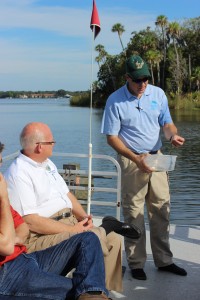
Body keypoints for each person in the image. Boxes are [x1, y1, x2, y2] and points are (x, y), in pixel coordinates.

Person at [4, 122, 141, 293]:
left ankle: (103, 292)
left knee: (113, 240)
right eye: (51, 142)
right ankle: (107, 228)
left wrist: (84, 218)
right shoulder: (18, 174)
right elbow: (30, 222)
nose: (54, 144)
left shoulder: (47, 164)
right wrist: (73, 230)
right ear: (39, 147)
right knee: (91, 238)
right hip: (42, 234)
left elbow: (67, 195)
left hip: (68, 222)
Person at [101, 55, 187, 280]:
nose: (143, 84)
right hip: (131, 160)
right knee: (133, 214)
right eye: (138, 80)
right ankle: (136, 263)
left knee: (161, 209)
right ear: (127, 78)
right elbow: (111, 137)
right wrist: (136, 158)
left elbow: (166, 123)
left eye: (146, 79)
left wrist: (172, 136)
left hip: (157, 157)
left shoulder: (157, 94)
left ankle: (164, 260)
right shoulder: (115, 100)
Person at [0, 141, 111, 300]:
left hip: (25, 259)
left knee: (88, 239)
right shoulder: (7, 189)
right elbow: (6, 247)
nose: (1, 175)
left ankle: (94, 293)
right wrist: (4, 198)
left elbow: (22, 228)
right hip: (7, 275)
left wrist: (13, 238)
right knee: (81, 291)